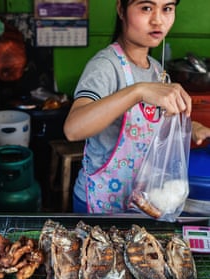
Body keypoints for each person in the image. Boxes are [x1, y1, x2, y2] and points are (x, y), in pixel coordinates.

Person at [63, 0, 210, 214]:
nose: (158, 20)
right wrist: (137, 91)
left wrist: (191, 126)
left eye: (167, 9)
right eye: (146, 8)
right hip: (101, 204)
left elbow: (156, 128)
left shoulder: (158, 71)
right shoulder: (105, 66)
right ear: (121, 10)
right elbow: (73, 128)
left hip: (141, 202)